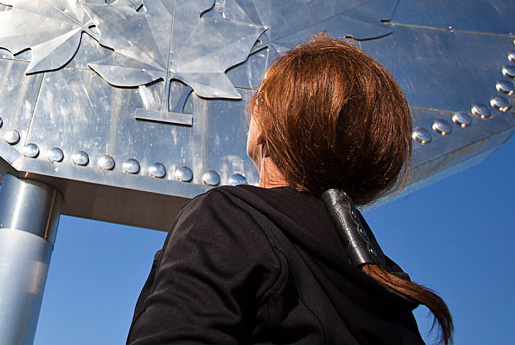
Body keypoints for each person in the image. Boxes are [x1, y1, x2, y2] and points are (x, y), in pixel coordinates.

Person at [127, 34, 453, 345]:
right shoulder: (389, 296)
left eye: (258, 100)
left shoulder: (230, 220)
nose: (247, 111)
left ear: (268, 125)